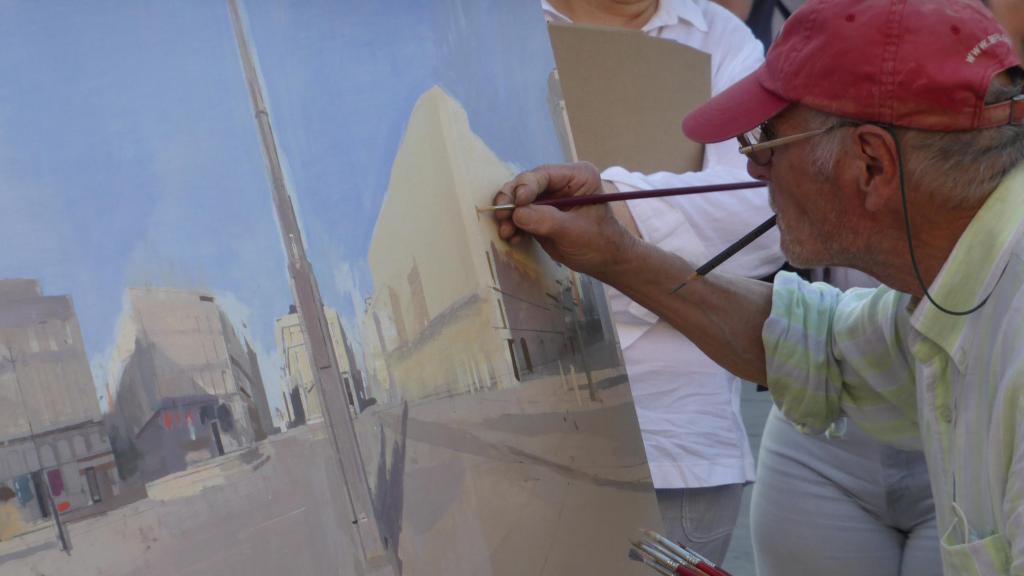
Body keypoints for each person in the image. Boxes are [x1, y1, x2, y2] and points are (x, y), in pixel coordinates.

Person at [494, 0, 1024, 573]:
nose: (752, 170)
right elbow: (810, 345)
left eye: (767, 139)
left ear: (870, 164)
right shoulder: (963, 287)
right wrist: (617, 253)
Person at [543, 0, 782, 563]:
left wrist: (603, 226)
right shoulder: (482, 24)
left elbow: (767, 206)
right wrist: (657, 267)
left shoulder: (721, 37)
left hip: (677, 439)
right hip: (522, 440)